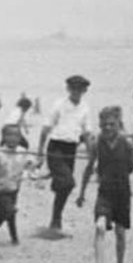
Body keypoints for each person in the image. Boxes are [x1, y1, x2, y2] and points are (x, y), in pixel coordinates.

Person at [76, 106, 133, 263]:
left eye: (112, 124)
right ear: (100, 125)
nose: (108, 128)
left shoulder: (127, 142)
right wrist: (81, 192)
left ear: (118, 124)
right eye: (104, 124)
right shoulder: (97, 143)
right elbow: (88, 168)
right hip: (105, 192)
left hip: (123, 192)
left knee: (120, 232)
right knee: (100, 226)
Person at [37, 74, 92, 232]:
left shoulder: (85, 108)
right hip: (56, 147)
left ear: (84, 90)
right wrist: (40, 152)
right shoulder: (59, 104)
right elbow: (46, 128)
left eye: (80, 89)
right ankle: (56, 218)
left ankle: (55, 219)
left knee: (63, 187)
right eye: (73, 88)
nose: (76, 91)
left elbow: (87, 133)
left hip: (71, 149)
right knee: (69, 183)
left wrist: (90, 155)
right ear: (68, 89)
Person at [0, 123, 34, 245]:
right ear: (4, 137)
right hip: (0, 190)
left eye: (16, 135)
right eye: (9, 135)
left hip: (14, 189)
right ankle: (14, 238)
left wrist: (34, 166)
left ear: (20, 138)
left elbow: (30, 164)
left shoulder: (22, 152)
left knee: (5, 215)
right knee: (9, 211)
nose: (12, 138)